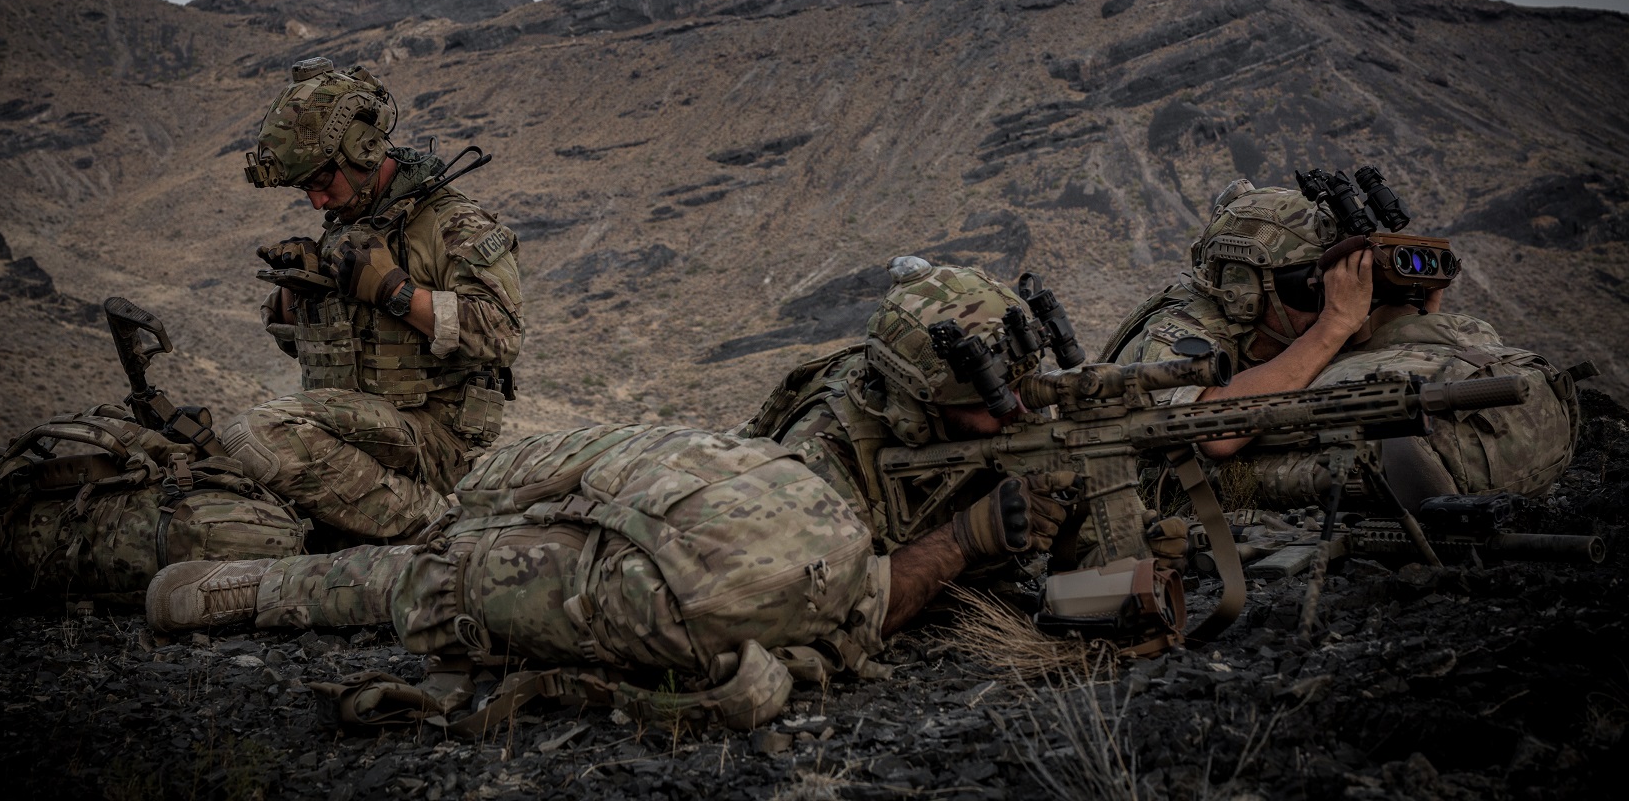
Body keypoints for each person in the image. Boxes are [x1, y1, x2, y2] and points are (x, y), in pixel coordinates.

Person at [144, 261, 1091, 727]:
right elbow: (839, 604)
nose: (1005, 416)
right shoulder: (826, 452)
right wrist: (966, 541)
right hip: (651, 552)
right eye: (986, 406)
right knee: (432, 577)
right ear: (918, 396)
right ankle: (251, 586)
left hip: (659, 523)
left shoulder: (937, 412)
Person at [1103, 178, 1577, 508]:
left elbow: (1371, 365)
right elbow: (1216, 435)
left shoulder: (1289, 327)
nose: (1332, 299)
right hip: (1137, 486)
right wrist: (1333, 325)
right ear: (1245, 287)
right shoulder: (1182, 326)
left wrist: (1409, 315)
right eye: (1315, 287)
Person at [220, 57, 524, 543]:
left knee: (261, 435)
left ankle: (443, 529)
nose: (317, 202)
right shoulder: (347, 229)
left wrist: (396, 292)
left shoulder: (452, 224)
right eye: (306, 189)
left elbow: (502, 334)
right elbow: (309, 347)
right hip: (360, 433)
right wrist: (298, 288)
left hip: (431, 440)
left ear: (362, 150)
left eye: (322, 183)